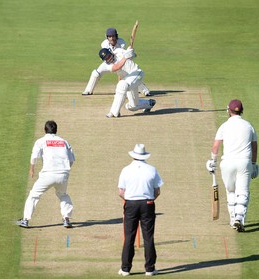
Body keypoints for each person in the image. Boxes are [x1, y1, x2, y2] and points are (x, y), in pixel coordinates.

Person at [206, 99, 259, 232]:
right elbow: (254, 146)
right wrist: (254, 164)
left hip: (227, 163)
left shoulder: (224, 126)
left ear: (229, 111)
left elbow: (215, 147)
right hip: (244, 163)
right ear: (242, 111)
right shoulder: (249, 126)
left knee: (231, 191)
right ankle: (239, 218)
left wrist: (212, 161)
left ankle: (232, 218)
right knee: (243, 192)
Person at [16, 120, 75, 229]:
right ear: (56, 130)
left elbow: (34, 156)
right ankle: (66, 219)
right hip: (63, 174)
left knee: (34, 195)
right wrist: (65, 171)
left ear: (45, 130)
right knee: (63, 195)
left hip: (48, 174)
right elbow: (71, 160)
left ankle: (25, 220)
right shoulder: (64, 141)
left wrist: (31, 169)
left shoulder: (40, 141)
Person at [118, 144, 163, 276]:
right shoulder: (152, 169)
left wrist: (130, 199)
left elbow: (121, 192)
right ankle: (150, 268)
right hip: (147, 203)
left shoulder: (126, 170)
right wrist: (150, 199)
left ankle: (125, 268)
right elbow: (157, 190)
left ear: (133, 156)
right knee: (148, 236)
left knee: (129, 237)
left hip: (131, 203)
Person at [82, 27, 151, 96]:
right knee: (96, 73)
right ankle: (88, 90)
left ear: (116, 36)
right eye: (109, 36)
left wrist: (129, 52)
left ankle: (145, 90)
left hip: (117, 58)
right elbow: (106, 55)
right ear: (107, 37)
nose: (111, 38)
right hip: (107, 62)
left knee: (127, 73)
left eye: (113, 36)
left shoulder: (121, 43)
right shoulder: (104, 44)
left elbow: (121, 54)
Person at [98, 47, 156, 118]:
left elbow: (132, 54)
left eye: (109, 56)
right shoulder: (106, 66)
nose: (109, 58)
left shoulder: (119, 51)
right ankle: (149, 103)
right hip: (128, 80)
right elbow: (116, 67)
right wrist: (125, 58)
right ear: (104, 60)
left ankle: (113, 112)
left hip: (137, 73)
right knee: (132, 106)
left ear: (111, 52)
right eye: (107, 58)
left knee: (122, 85)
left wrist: (130, 52)